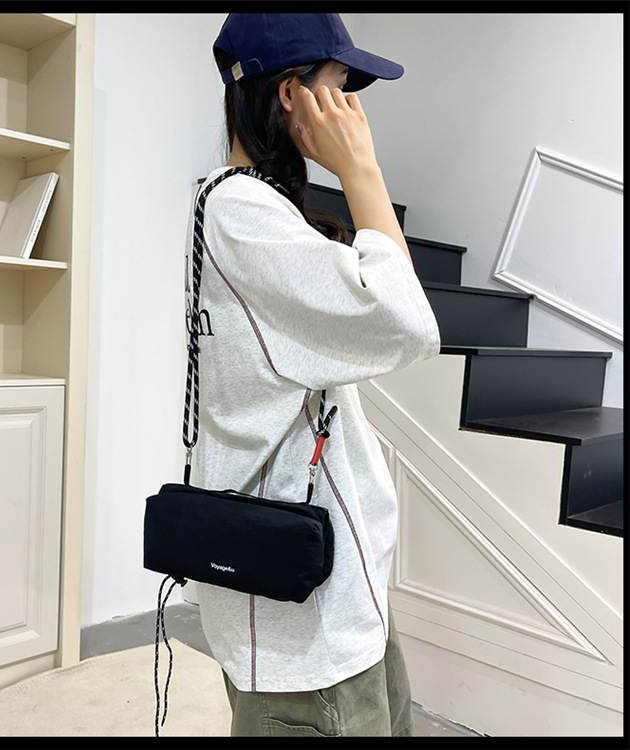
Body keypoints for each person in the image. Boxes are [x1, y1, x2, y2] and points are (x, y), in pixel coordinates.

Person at [188, 13, 440, 737]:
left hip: (336, 585)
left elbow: (391, 307)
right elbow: (405, 321)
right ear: (291, 95)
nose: (352, 109)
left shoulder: (255, 208)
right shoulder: (242, 211)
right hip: (305, 617)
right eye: (339, 86)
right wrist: (362, 172)